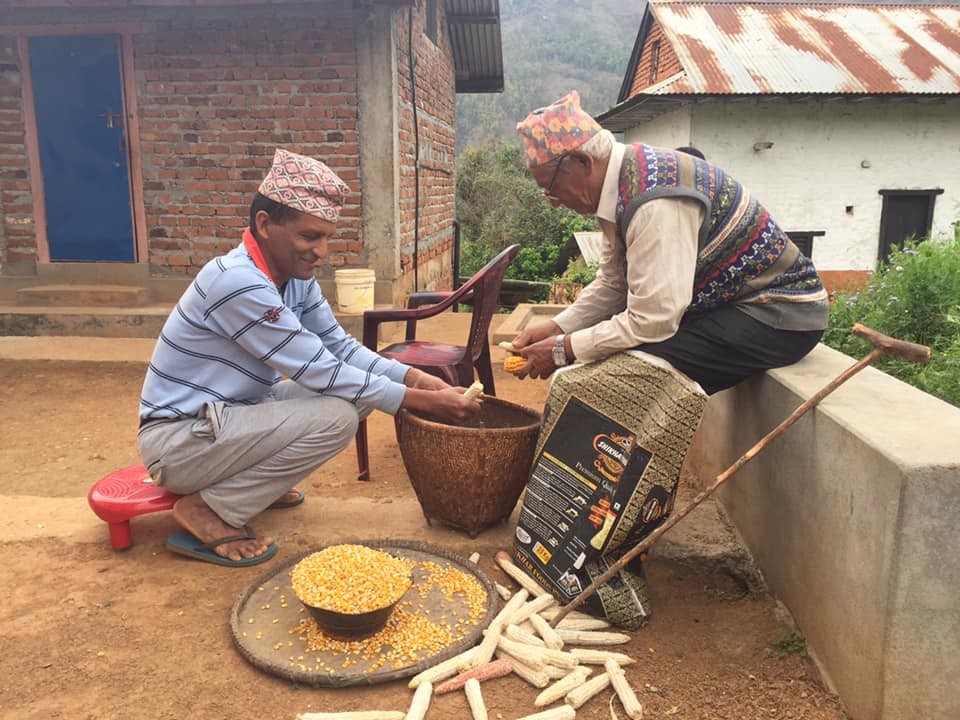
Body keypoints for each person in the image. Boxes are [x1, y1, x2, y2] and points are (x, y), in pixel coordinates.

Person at [138, 148, 480, 567]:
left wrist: (415, 379)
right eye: (309, 236)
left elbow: (340, 349)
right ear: (265, 225)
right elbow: (320, 369)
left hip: (232, 419)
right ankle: (209, 509)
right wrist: (426, 401)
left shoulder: (294, 280)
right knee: (337, 415)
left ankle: (254, 484)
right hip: (180, 441)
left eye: (326, 237)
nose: (320, 251)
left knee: (358, 395)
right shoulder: (237, 282)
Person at [511, 91, 828, 393]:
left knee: (618, 379)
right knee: (606, 363)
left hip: (777, 312)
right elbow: (613, 285)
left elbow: (653, 320)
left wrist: (564, 350)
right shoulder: (622, 186)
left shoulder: (653, 203)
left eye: (551, 187)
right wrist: (559, 328)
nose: (553, 202)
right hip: (726, 306)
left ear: (583, 162)